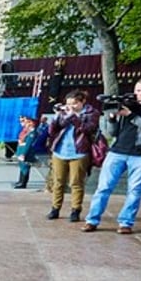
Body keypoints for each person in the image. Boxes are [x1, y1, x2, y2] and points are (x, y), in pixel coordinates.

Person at [83, 77, 141, 233]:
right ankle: (92, 220)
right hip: (117, 150)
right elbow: (112, 132)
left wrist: (129, 114)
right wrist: (112, 118)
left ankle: (126, 223)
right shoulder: (127, 102)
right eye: (138, 90)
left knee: (135, 190)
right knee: (103, 188)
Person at [46, 91, 99, 222]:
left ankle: (75, 209)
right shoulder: (64, 112)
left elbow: (88, 129)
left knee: (76, 182)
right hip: (60, 151)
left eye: (75, 103)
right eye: (68, 103)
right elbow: (52, 131)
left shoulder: (91, 113)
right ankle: (55, 208)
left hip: (79, 152)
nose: (71, 106)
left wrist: (73, 116)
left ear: (83, 102)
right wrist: (57, 116)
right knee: (58, 182)